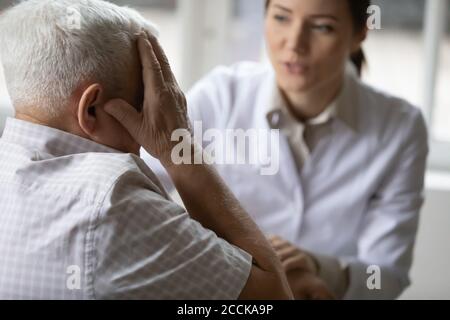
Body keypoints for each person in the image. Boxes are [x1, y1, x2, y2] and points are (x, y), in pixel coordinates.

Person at [0, 0, 317, 300]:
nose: (145, 137)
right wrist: (179, 147)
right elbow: (272, 294)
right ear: (91, 109)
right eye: (143, 105)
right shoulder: (111, 200)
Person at [144, 0, 429, 299]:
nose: (294, 44)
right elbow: (136, 190)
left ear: (361, 32)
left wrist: (323, 270)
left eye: (322, 27)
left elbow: (385, 276)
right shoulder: (220, 97)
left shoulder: (401, 128)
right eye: (281, 17)